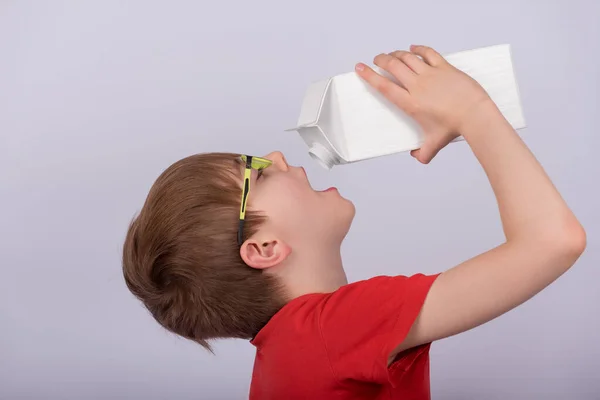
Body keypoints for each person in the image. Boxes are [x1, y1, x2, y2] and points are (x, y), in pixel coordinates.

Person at [122, 45, 586, 399]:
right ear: (263, 247)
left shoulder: (290, 350)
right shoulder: (334, 329)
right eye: (258, 173)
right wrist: (473, 111)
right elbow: (553, 241)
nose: (279, 157)